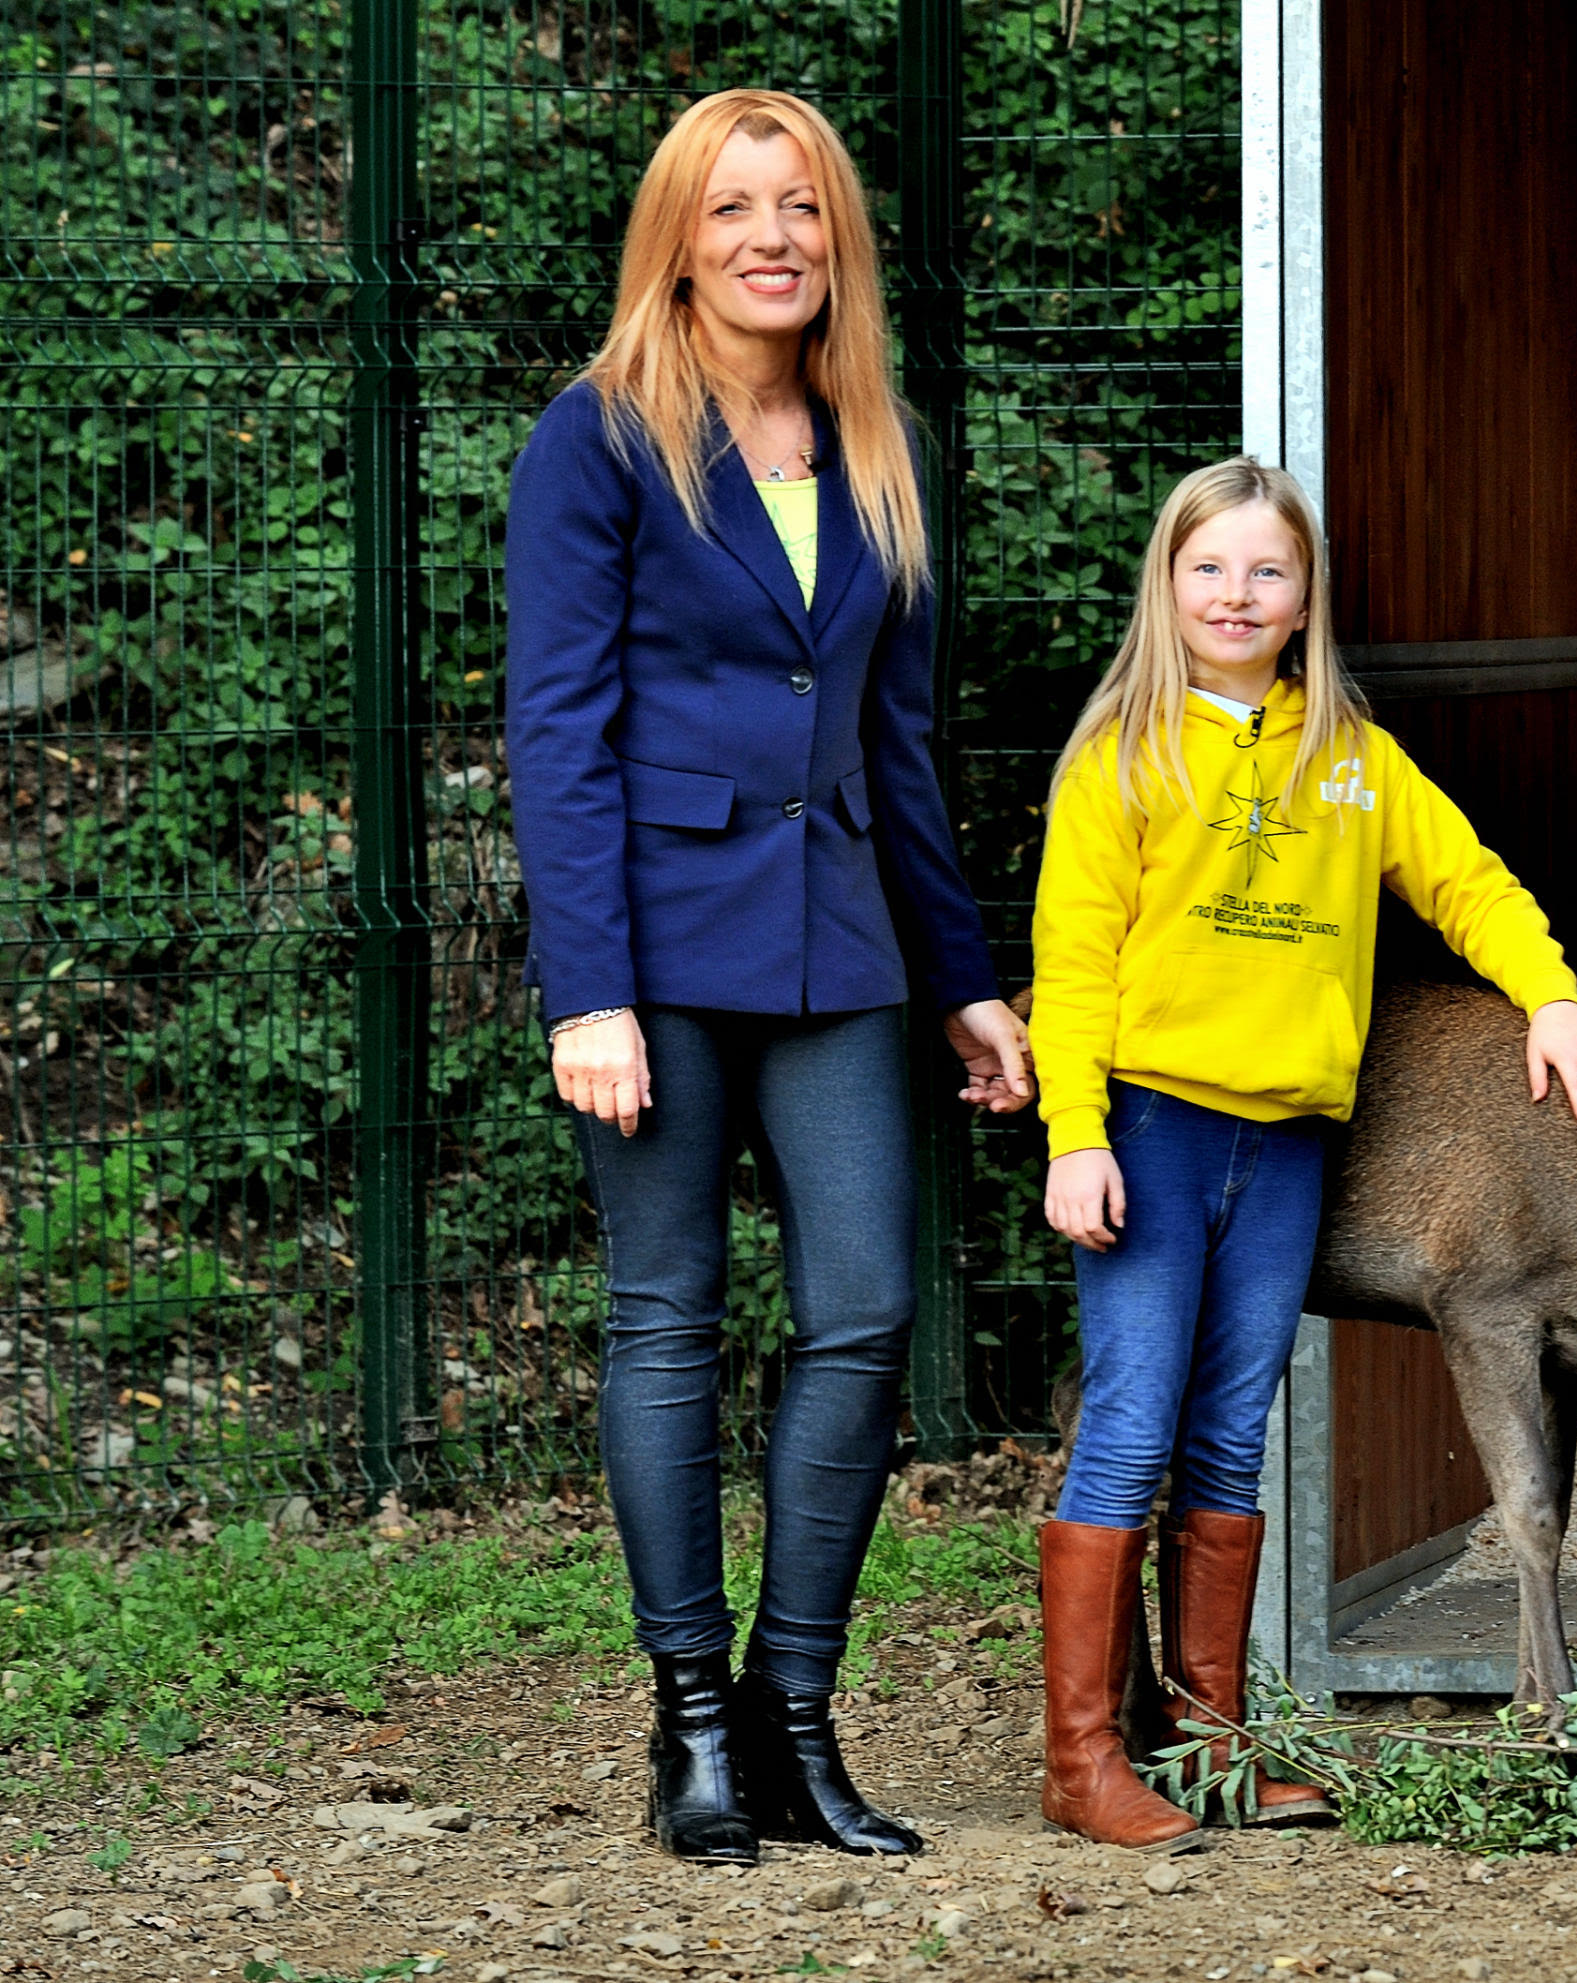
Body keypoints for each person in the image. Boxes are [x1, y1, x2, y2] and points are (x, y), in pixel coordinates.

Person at [505, 88, 1032, 1864]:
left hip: (843, 950)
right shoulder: (597, 438)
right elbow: (557, 732)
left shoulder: (882, 444)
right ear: (679, 240)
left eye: (799, 206)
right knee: (666, 1318)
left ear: (836, 238)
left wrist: (962, 980)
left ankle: (792, 1720)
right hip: (654, 952)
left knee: (865, 1312)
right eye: (734, 208)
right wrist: (587, 993)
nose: (771, 239)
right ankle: (691, 1729)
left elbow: (900, 744)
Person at [1026, 457, 1577, 1851]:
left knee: (1230, 1431)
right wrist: (1075, 1136)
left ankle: (1208, 1746)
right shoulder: (1123, 756)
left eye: (1268, 571)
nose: (1236, 595)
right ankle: (1083, 1760)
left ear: (1305, 598)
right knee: (1131, 1425)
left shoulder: (1352, 759)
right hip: (1151, 1128)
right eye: (1208, 568)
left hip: (1291, 1142)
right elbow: (1071, 967)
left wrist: (1551, 1000)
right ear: (1167, 587)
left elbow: (1467, 882)